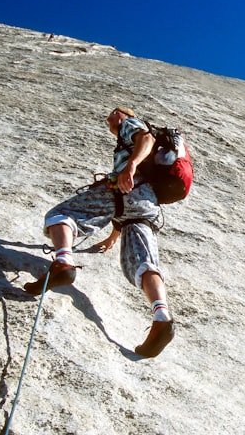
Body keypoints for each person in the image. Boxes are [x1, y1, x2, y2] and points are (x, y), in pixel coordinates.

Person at [24, 106, 175, 358]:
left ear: (123, 115)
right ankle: (162, 317)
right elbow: (124, 210)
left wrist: (130, 168)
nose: (109, 119)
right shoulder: (140, 148)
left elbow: (145, 139)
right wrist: (113, 236)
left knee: (61, 216)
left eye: (113, 114)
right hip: (146, 202)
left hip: (125, 187)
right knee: (143, 264)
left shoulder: (131, 125)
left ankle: (63, 262)